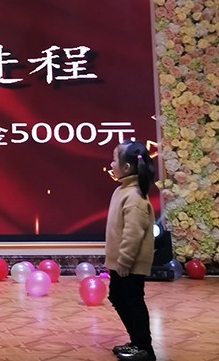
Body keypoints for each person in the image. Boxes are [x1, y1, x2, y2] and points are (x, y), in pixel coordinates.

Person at [105, 140, 157, 361]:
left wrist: (125, 261)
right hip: (121, 262)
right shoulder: (122, 190)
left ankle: (145, 348)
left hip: (130, 264)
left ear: (126, 167)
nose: (111, 164)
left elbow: (132, 234)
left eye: (114, 160)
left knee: (133, 302)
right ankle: (137, 342)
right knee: (117, 297)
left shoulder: (134, 197)